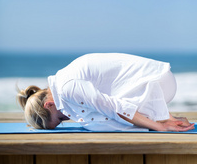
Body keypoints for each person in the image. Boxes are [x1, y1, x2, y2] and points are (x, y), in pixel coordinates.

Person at [17, 53, 194, 132]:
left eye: (60, 118)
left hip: (158, 83)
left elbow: (113, 106)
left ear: (49, 104)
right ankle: (167, 117)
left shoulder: (67, 88)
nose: (67, 117)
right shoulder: (64, 78)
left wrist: (159, 127)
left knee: (103, 120)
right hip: (158, 80)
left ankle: (164, 120)